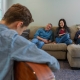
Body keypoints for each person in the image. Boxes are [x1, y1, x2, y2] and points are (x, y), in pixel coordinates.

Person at [0, 3, 60, 80]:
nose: (21, 33)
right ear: (19, 24)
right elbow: (54, 64)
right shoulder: (11, 39)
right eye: (23, 30)